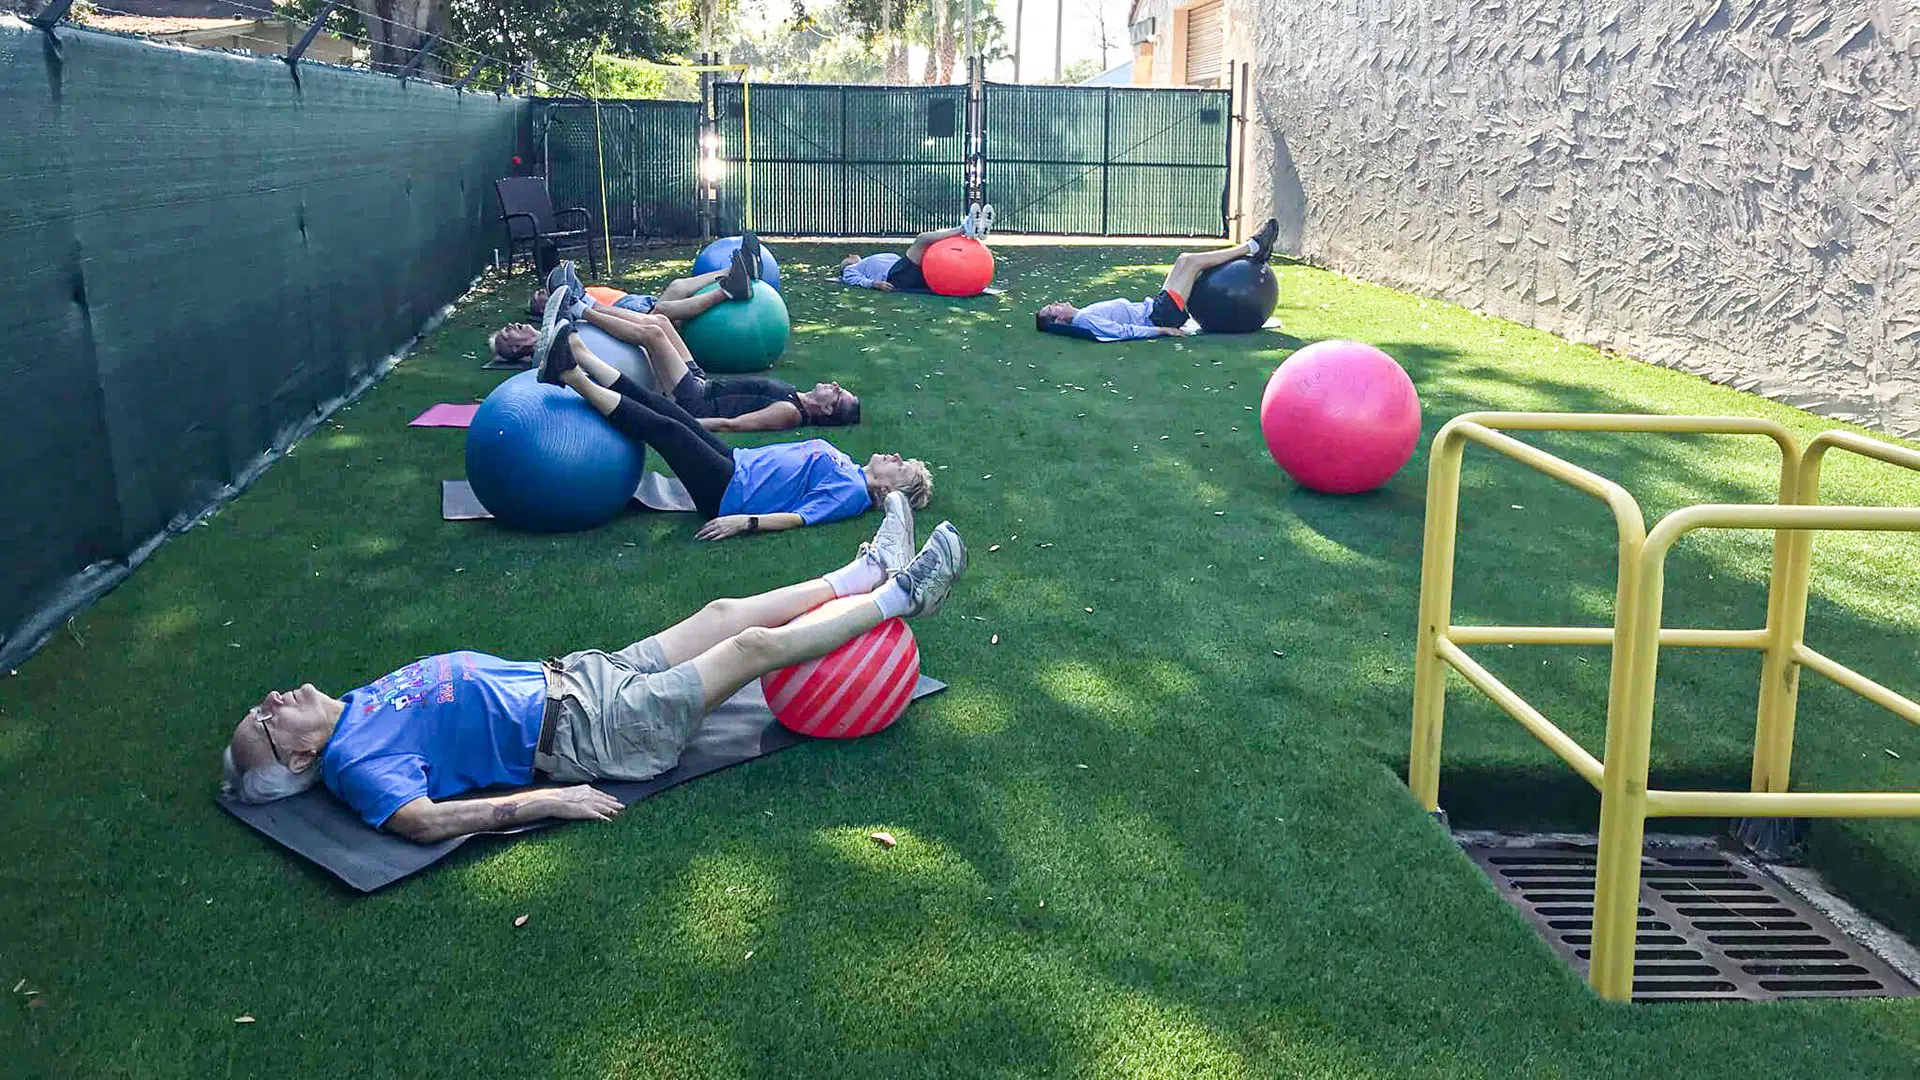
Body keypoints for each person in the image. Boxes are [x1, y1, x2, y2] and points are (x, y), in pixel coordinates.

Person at [220, 506, 969, 843]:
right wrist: (552, 801)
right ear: (297, 757)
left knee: (723, 609)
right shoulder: (353, 762)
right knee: (746, 653)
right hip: (597, 735)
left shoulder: (350, 710)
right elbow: (420, 822)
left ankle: (864, 568)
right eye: (265, 721)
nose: (270, 700)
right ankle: (905, 595)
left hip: (579, 679)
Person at [529, 312, 932, 540]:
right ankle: (580, 352)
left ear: (890, 488)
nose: (895, 457)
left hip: (728, 492)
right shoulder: (849, 468)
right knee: (668, 412)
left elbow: (801, 517)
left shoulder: (852, 493)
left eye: (902, 466)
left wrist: (743, 523)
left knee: (664, 430)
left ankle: (571, 376)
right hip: (735, 464)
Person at [551, 300, 859, 431]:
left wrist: (679, 423)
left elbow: (733, 425)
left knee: (653, 335)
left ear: (828, 410)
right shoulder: (796, 395)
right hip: (702, 383)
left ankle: (578, 312)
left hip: (694, 401)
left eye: (837, 392)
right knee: (660, 320)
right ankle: (588, 302)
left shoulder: (791, 413)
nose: (833, 384)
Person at [1034, 219, 1279, 341]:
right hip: (1161, 315)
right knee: (1190, 263)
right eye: (1052, 308)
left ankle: (1252, 247)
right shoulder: (1084, 319)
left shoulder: (1083, 314)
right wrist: (1162, 330)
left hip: (1156, 307)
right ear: (1058, 318)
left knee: (1185, 262)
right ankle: (1252, 246)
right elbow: (1123, 332)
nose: (1057, 303)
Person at [487, 251, 755, 362]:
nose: (511, 325)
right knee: (660, 316)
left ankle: (734, 270)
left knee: (673, 290)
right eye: (507, 333)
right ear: (515, 348)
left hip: (628, 315)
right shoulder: (546, 354)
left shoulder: (553, 327)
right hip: (636, 332)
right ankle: (729, 290)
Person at [838, 204, 994, 293]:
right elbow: (854, 280)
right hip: (895, 276)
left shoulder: (865, 263)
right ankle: (964, 229)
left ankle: (969, 231)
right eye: (848, 258)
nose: (851, 255)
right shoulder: (851, 269)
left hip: (905, 270)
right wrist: (875, 284)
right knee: (922, 239)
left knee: (932, 244)